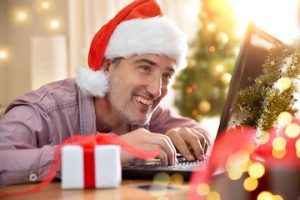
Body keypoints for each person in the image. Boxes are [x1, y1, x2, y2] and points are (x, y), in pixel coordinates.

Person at [0, 0, 212, 185]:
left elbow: (207, 136)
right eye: (145, 68)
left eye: (166, 75)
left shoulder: (145, 109)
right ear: (107, 67)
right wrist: (107, 151)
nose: (156, 90)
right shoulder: (46, 110)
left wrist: (185, 138)